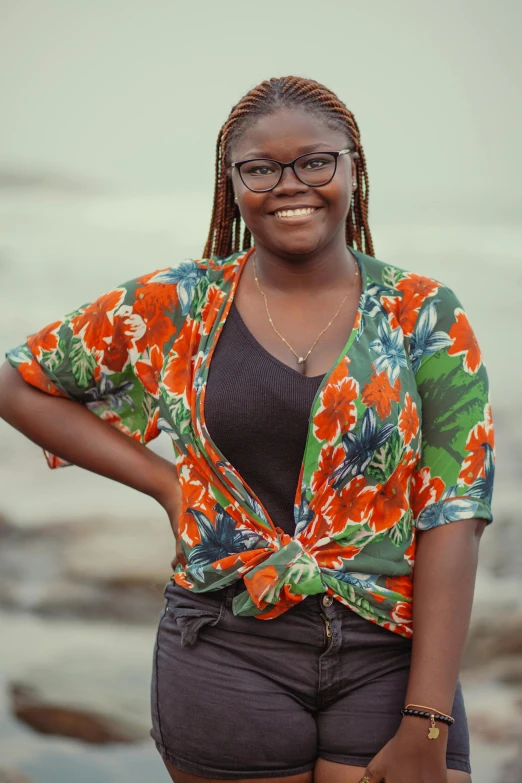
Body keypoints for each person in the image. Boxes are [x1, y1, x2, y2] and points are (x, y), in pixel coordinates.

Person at [0, 76, 494, 783]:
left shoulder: (424, 314)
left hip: (389, 646)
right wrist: (167, 485)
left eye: (316, 162)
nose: (291, 185)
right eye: (261, 168)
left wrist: (427, 717)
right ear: (232, 184)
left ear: (354, 166)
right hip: (224, 641)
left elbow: (454, 513)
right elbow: (19, 381)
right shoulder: (180, 303)